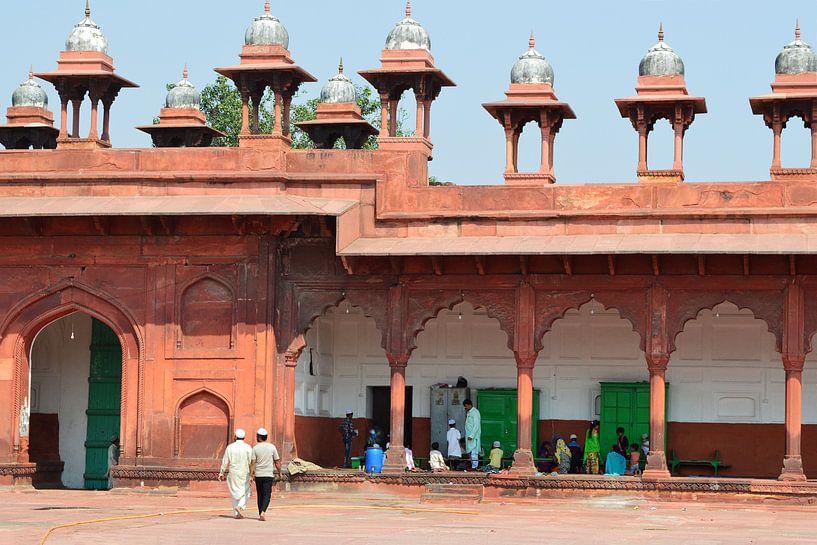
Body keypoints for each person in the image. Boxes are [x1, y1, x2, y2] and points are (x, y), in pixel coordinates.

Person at [219, 429, 253, 519]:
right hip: (244, 472)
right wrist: (252, 474)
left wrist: (221, 472)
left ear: (235, 436)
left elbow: (225, 461)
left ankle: (236, 513)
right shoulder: (248, 448)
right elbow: (251, 462)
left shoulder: (230, 447)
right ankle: (240, 506)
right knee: (247, 491)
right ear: (244, 437)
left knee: (234, 492)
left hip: (233, 472)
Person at [251, 428, 281, 522]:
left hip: (259, 475)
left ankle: (260, 512)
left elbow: (253, 463)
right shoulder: (272, 447)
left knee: (260, 494)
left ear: (259, 437)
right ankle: (263, 511)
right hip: (268, 475)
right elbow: (277, 462)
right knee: (267, 494)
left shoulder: (255, 448)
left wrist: (251, 475)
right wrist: (279, 473)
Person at [463, 399, 481, 470]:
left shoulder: (475, 412)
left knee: (474, 453)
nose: (465, 408)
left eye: (466, 406)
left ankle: (475, 467)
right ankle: (473, 466)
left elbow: (476, 425)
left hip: (473, 437)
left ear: (470, 405)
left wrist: (472, 435)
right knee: (471, 452)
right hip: (469, 437)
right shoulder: (469, 412)